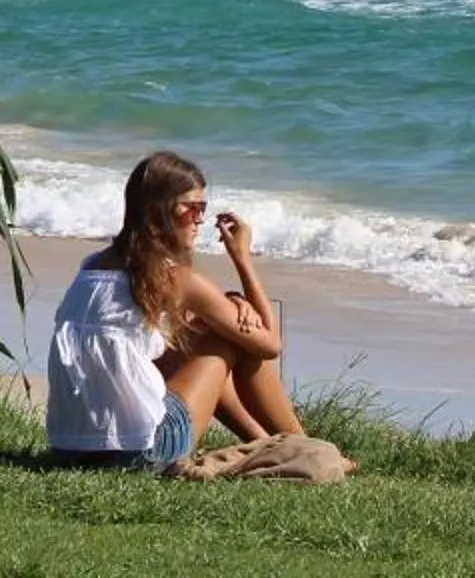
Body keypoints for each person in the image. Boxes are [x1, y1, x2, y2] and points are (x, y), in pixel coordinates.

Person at [45, 149, 307, 470]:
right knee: (225, 340)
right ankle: (307, 448)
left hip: (69, 449)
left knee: (206, 333)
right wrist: (242, 259)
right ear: (159, 213)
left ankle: (266, 444)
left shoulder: (92, 266)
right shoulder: (177, 279)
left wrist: (231, 302)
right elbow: (269, 345)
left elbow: (181, 333)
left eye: (203, 210)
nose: (199, 220)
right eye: (191, 210)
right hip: (145, 450)